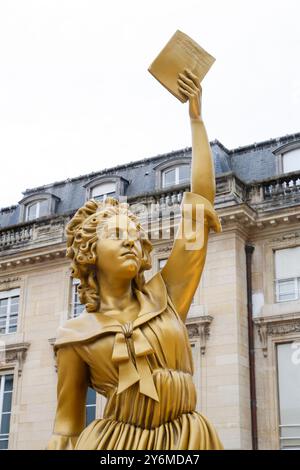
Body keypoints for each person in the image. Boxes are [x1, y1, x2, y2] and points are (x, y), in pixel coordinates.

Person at [47, 69, 223, 450]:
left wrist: (196, 120)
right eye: (116, 235)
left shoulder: (166, 297)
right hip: (113, 445)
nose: (131, 242)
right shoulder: (74, 336)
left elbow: (201, 204)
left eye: (135, 235)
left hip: (186, 439)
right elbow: (66, 425)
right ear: (90, 253)